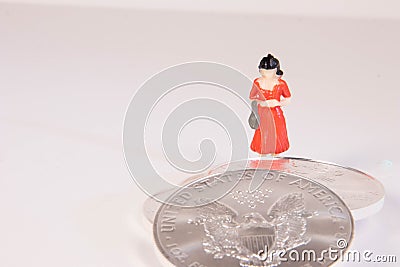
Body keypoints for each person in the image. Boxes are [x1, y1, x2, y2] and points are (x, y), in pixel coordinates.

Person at [249, 54, 291, 156]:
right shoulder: (257, 82)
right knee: (263, 135)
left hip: (276, 114)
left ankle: (275, 159)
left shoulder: (281, 84)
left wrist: (277, 103)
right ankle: (262, 160)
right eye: (263, 70)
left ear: (275, 70)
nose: (265, 73)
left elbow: (288, 99)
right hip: (262, 113)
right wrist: (262, 103)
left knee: (276, 135)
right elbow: (252, 98)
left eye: (268, 71)